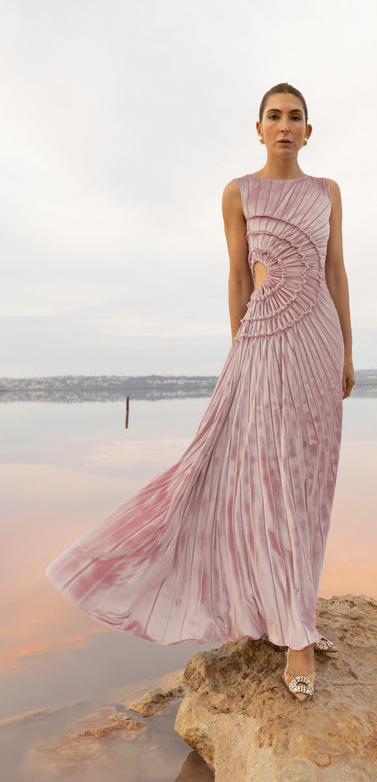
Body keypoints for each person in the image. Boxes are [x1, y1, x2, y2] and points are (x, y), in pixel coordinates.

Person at [46, 82, 354, 701]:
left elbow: (335, 269)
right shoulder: (238, 192)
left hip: (318, 343)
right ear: (259, 127)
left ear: (309, 131)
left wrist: (347, 350)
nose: (286, 126)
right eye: (275, 117)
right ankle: (293, 636)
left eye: (296, 117)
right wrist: (238, 345)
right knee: (268, 479)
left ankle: (292, 613)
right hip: (264, 341)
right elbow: (238, 274)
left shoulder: (328, 193)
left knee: (310, 482)